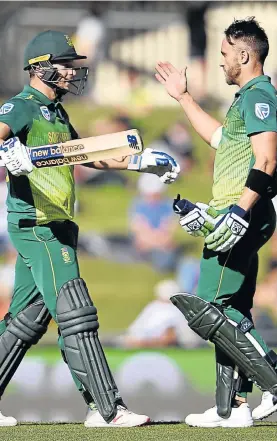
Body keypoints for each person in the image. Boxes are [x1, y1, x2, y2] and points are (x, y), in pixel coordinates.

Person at [0, 30, 180, 427]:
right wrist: (8, 152)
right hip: (38, 224)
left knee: (25, 322)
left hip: (59, 224)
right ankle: (106, 408)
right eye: (65, 65)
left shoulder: (56, 112)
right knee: (76, 311)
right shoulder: (22, 106)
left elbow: (85, 156)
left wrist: (138, 161)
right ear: (41, 67)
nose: (71, 72)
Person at [155, 17, 277, 427]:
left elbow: (267, 160)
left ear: (244, 55)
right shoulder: (245, 98)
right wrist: (184, 97)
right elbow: (221, 139)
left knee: (210, 308)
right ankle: (232, 406)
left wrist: (240, 212)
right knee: (232, 310)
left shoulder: (260, 95)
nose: (221, 61)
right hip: (237, 211)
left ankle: (274, 383)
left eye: (224, 54)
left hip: (243, 213)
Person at [119, 279, 203, 349]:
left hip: (169, 348)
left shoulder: (175, 310)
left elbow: (170, 338)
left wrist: (143, 343)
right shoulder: (153, 307)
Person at [129, 174, 181, 272]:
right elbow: (140, 234)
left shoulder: (169, 205)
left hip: (160, 247)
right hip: (149, 248)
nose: (152, 198)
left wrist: (158, 242)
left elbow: (169, 233)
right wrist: (157, 242)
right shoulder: (137, 205)